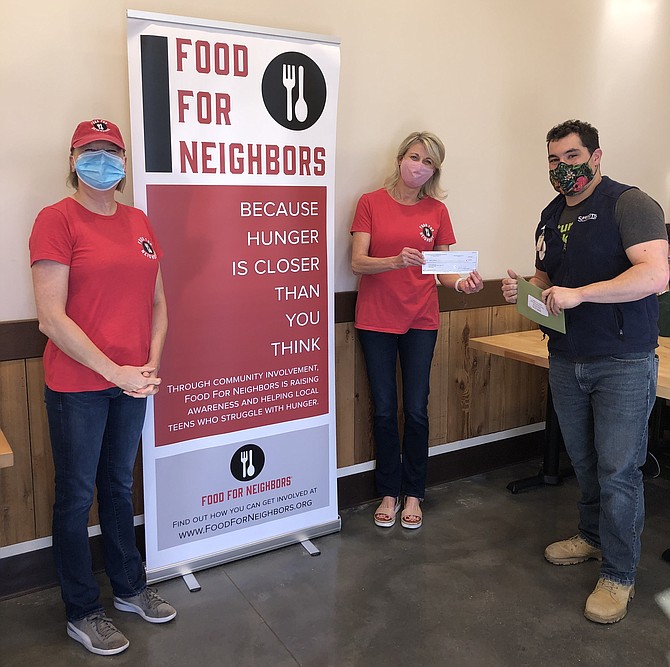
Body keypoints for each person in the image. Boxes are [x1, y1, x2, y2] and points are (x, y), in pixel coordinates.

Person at [502, 119, 668, 624]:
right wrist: (523, 293)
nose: (562, 168)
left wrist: (583, 294)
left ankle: (619, 575)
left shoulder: (630, 204)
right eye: (553, 160)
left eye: (572, 157)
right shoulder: (551, 215)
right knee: (586, 461)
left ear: (595, 157)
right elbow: (547, 279)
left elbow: (655, 274)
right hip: (565, 360)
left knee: (620, 470)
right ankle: (592, 538)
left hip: (621, 362)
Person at [29, 119, 176, 655]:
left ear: (123, 161)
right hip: (77, 386)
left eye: (111, 150)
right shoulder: (56, 220)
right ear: (72, 160)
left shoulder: (138, 220)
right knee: (74, 496)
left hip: (133, 383)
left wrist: (150, 363)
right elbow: (51, 318)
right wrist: (114, 371)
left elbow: (157, 302)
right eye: (90, 150)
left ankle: (131, 589)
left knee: (117, 486)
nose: (102, 158)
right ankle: (83, 609)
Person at [351, 131, 483, 530]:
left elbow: (441, 271)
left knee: (417, 409)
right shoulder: (370, 202)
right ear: (399, 159)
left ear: (434, 171)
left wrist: (461, 285)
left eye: (428, 163)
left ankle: (414, 493)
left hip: (421, 320)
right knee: (386, 408)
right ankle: (388, 492)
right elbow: (358, 262)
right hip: (375, 319)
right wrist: (393, 261)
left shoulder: (437, 212)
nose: (419, 167)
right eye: (415, 157)